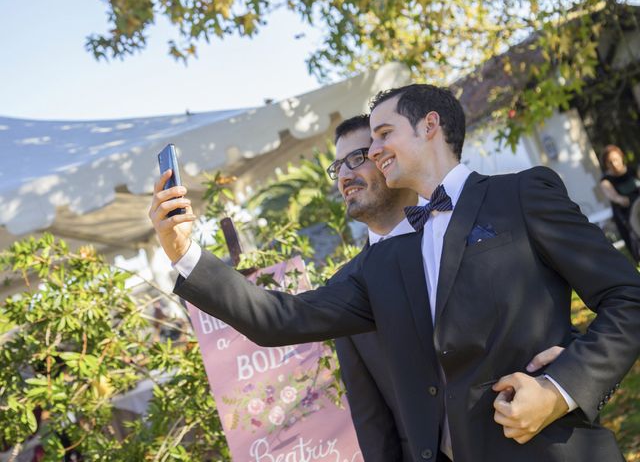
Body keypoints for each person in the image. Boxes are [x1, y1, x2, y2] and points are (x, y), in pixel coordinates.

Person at [149, 84, 640, 462]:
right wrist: (185, 253)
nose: (375, 149)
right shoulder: (382, 262)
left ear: (429, 126)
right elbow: (282, 318)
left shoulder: (521, 194)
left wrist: (560, 390)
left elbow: (628, 297)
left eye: (383, 135)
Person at [329, 114, 565, 461]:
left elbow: (551, 313)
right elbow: (372, 421)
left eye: (357, 157)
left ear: (389, 157)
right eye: (337, 167)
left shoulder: (476, 232)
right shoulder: (344, 286)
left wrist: (568, 381)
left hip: (537, 444)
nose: (345, 175)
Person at [599, 144, 640, 263]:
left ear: (621, 157)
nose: (614, 164)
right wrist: (621, 199)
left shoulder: (633, 171)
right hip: (625, 215)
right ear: (606, 164)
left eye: (616, 160)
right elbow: (615, 197)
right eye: (610, 162)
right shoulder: (606, 181)